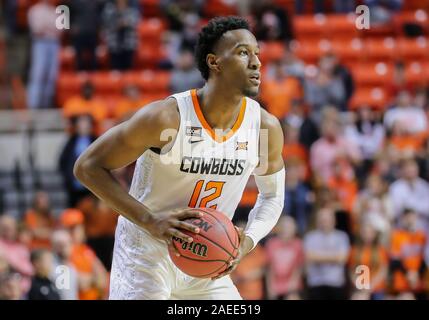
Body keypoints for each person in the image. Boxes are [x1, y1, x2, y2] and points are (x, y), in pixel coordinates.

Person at [74, 16, 285, 300]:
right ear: (215, 62)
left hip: (207, 254)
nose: (257, 63)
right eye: (243, 52)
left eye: (257, 53)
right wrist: (149, 220)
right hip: (147, 252)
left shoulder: (264, 127)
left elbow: (272, 196)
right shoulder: (166, 118)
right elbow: (87, 167)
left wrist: (246, 241)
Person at [59, 209, 108, 300]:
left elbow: (103, 279)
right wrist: (95, 280)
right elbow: (79, 283)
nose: (75, 231)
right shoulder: (63, 251)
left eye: (77, 226)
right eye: (71, 228)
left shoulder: (86, 250)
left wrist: (91, 280)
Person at [304, 207, 350, 300]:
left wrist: (318, 256)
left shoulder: (342, 236)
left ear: (334, 221)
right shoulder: (310, 237)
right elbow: (310, 257)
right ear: (317, 221)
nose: (324, 222)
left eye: (327, 219)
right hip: (315, 283)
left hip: (336, 283)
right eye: (322, 219)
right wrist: (333, 256)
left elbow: (341, 259)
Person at [26, 0, 61, 108]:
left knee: (51, 76)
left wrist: (48, 28)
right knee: (38, 74)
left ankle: (46, 105)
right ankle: (33, 106)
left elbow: (61, 30)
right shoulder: (34, 10)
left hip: (54, 43)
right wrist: (51, 28)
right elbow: (37, 29)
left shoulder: (57, 11)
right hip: (40, 43)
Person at [59, 114, 96, 207]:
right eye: (81, 123)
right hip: (74, 185)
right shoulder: (71, 141)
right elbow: (63, 160)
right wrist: (68, 177)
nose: (84, 125)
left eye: (86, 123)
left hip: (92, 185)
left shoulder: (95, 140)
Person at [265, 216, 304, 300]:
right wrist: (270, 287)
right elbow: (269, 268)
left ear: (294, 229)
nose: (285, 230)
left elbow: (298, 267)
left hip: (292, 285)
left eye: (289, 227)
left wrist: (292, 284)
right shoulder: (272, 244)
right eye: (283, 227)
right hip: (275, 285)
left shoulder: (298, 244)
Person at [51, 229, 79, 300]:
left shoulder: (72, 266)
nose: (63, 248)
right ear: (54, 246)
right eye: (60, 245)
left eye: (66, 244)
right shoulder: (52, 267)